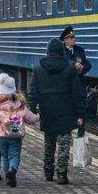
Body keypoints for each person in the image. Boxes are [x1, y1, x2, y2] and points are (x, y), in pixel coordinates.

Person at [29, 38, 85, 185]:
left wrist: (32, 109)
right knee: (64, 143)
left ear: (47, 51)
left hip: (47, 110)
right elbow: (76, 94)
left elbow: (33, 92)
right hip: (65, 110)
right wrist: (80, 114)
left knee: (49, 141)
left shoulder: (38, 68)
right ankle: (62, 174)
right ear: (61, 51)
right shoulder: (70, 68)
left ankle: (48, 171)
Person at [0, 73, 37, 188]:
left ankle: (8, 177)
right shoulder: (21, 107)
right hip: (16, 136)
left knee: (5, 157)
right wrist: (37, 117)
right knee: (14, 155)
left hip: (2, 137)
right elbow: (31, 118)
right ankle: (13, 170)